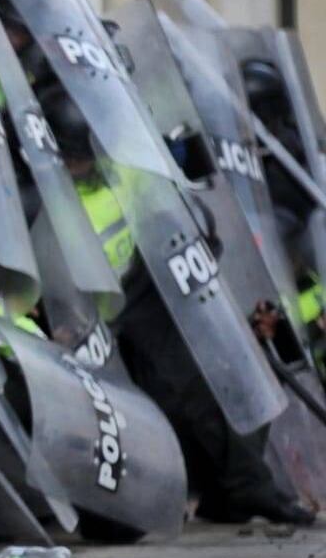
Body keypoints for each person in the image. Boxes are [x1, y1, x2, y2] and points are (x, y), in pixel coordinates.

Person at [37, 83, 314, 526]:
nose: (77, 165)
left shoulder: (126, 169)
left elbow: (184, 202)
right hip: (102, 317)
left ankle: (242, 489)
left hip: (156, 286)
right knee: (172, 395)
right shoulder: (51, 201)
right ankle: (214, 490)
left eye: (82, 155)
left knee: (224, 375)